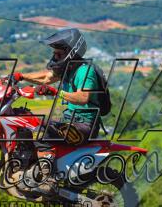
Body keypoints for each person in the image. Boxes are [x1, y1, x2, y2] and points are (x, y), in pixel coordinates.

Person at [11, 28, 102, 185]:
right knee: (28, 124)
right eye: (55, 53)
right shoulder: (69, 68)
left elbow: (83, 97)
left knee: (40, 132)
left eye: (58, 54)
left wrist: (56, 92)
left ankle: (49, 179)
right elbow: (46, 78)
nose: (55, 57)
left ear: (71, 53)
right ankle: (29, 167)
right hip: (70, 122)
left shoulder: (86, 71)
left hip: (84, 126)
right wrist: (20, 76)